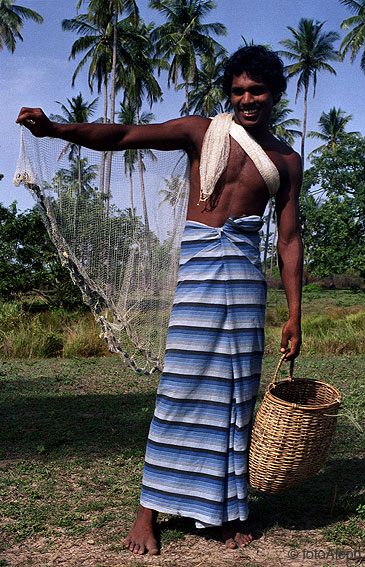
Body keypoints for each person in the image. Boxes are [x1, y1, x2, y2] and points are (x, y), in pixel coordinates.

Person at [17, 45, 303, 555]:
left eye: (256, 90)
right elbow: (125, 135)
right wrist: (58, 129)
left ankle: (223, 510)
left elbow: (287, 240)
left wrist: (295, 315)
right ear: (228, 94)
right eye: (237, 90)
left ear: (275, 93)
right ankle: (147, 512)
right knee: (182, 387)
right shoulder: (201, 131)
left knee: (236, 394)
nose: (246, 99)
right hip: (200, 274)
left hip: (244, 279)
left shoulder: (285, 160)